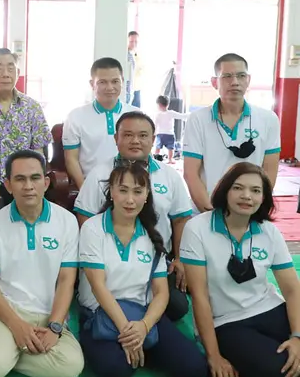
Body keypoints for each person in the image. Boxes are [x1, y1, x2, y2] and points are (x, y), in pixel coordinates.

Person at [77, 163, 207, 377]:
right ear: (111, 192)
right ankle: (141, 350)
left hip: (141, 314)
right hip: (100, 314)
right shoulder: (93, 228)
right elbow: (98, 286)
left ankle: (145, 348)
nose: (130, 199)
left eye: (138, 192)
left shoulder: (151, 236)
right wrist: (127, 332)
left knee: (193, 368)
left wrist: (144, 327)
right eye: (123, 190)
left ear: (146, 195)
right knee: (114, 369)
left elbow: (161, 293)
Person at [0, 150, 84, 377]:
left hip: (47, 314)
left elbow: (66, 280)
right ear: (8, 185)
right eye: (20, 179)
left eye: (35, 178)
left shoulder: (66, 221)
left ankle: (7, 353)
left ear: (46, 183)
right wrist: (16, 326)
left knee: (70, 367)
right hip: (6, 312)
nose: (28, 186)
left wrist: (55, 327)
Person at [181, 162, 300, 377]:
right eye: (238, 188)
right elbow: (199, 296)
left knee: (291, 355)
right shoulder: (197, 228)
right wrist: (213, 356)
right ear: (225, 190)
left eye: (255, 190)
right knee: (274, 372)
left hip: (268, 307)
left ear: (263, 197)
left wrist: (297, 337)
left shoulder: (269, 231)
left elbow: (292, 289)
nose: (247, 196)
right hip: (226, 321)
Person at [74, 112, 193, 321]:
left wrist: (179, 259)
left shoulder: (169, 176)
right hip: (109, 262)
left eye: (143, 135)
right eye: (128, 135)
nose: (135, 141)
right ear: (116, 138)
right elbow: (85, 219)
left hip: (155, 262)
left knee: (178, 306)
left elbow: (180, 220)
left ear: (153, 139)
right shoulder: (99, 175)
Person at [0, 48, 52, 244]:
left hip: (21, 178)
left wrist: (32, 181)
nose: (5, 73)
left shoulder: (32, 107)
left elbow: (39, 152)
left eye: (10, 68)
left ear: (17, 73)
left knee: (30, 208)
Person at [183, 53, 280, 214]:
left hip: (249, 211)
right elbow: (191, 173)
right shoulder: (198, 119)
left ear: (248, 80)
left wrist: (255, 210)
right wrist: (210, 214)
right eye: (227, 76)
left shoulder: (268, 119)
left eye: (241, 76)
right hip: (206, 209)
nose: (235, 82)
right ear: (214, 82)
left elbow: (270, 171)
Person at [62, 57, 138, 189]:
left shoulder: (136, 115)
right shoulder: (75, 116)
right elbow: (71, 159)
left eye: (115, 81)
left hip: (130, 186)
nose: (110, 87)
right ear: (92, 84)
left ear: (122, 81)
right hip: (92, 185)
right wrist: (85, 191)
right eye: (102, 82)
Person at [153, 95, 187, 164]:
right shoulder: (171, 113)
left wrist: (154, 134)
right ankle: (170, 159)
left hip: (160, 134)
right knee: (171, 148)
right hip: (169, 134)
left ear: (159, 105)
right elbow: (181, 116)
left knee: (158, 147)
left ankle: (155, 158)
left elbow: (155, 126)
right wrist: (189, 115)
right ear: (168, 104)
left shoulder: (158, 115)